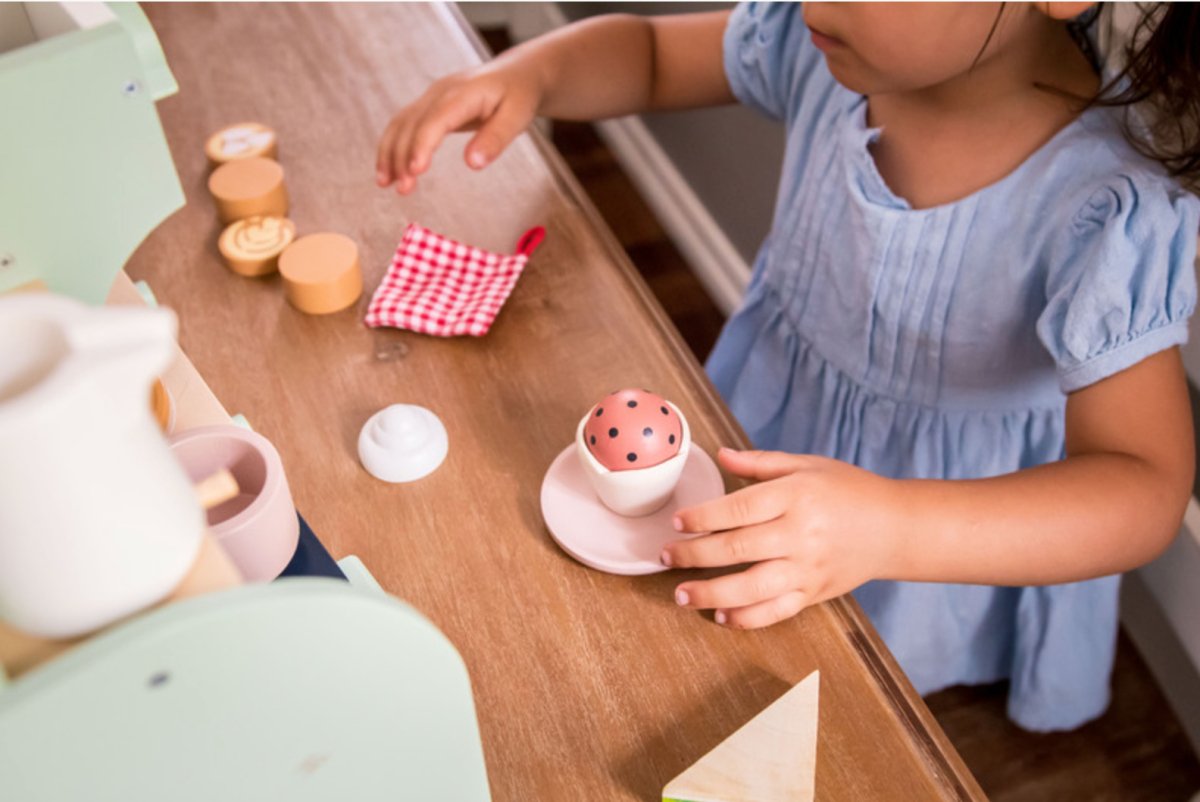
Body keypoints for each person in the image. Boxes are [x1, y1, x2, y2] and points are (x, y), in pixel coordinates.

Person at [375, 3, 1200, 731]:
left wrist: (889, 527)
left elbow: (1142, 484)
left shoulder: (1105, 205)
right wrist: (538, 70)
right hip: (769, 439)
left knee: (859, 688)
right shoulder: (822, 49)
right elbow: (656, 57)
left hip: (942, 535)